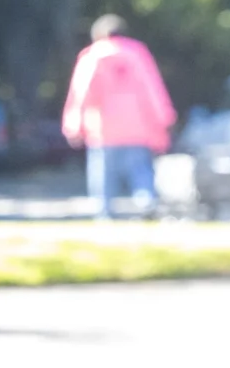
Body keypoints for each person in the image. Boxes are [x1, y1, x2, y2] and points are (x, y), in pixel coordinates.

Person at [62, 14, 177, 218]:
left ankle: (103, 213)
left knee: (103, 175)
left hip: (102, 129)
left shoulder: (92, 56)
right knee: (141, 172)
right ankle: (146, 206)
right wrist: (165, 119)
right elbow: (153, 90)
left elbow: (81, 93)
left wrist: (73, 124)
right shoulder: (138, 53)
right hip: (138, 129)